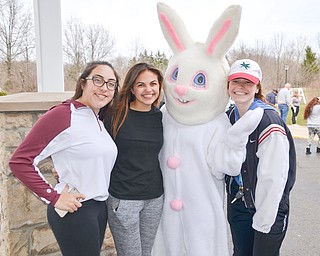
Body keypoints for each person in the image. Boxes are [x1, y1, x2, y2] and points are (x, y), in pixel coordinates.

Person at [9, 61, 120, 256]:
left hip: (98, 208)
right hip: (76, 210)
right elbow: (20, 161)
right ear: (83, 83)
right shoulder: (63, 114)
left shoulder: (97, 118)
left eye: (111, 83)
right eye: (98, 80)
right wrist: (53, 197)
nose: (104, 88)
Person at [225, 59, 296, 256]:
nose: (241, 87)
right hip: (239, 202)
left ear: (257, 87)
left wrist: (264, 220)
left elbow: (274, 179)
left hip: (269, 206)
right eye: (235, 81)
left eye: (247, 82)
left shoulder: (268, 122)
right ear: (228, 85)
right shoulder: (229, 116)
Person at [104, 63, 164, 256]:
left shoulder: (161, 117)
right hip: (124, 199)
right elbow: (93, 146)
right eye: (141, 85)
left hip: (155, 198)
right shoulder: (115, 115)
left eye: (153, 84)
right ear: (131, 88)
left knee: (147, 253)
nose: (148, 90)